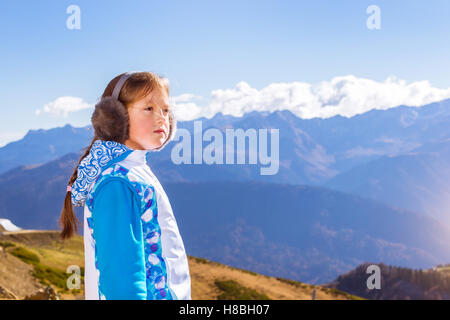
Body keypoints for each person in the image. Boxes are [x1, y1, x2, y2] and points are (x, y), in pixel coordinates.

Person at [59, 71, 191, 300]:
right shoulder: (117, 183)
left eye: (166, 110)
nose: (161, 117)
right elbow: (122, 280)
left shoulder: (135, 171)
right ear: (114, 119)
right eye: (149, 108)